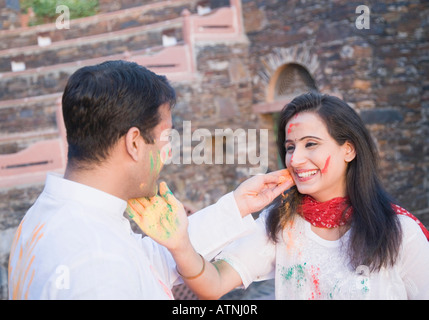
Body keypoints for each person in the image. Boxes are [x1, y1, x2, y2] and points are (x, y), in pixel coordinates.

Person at [7, 60, 293, 299]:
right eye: (166, 138)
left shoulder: (54, 216)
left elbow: (147, 261)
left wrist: (237, 206)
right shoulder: (96, 263)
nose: (167, 154)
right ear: (134, 143)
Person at [147, 91, 429, 299]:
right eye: (291, 147)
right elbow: (214, 282)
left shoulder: (399, 231)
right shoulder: (280, 223)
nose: (295, 159)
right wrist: (180, 244)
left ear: (349, 149)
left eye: (311, 144)